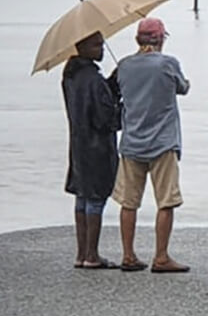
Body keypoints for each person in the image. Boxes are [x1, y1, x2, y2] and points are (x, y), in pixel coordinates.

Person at [114, 18, 190, 273]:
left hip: (132, 141)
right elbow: (183, 87)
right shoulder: (168, 64)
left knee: (129, 201)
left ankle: (128, 254)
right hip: (163, 141)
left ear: (138, 40)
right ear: (160, 39)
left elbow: (117, 90)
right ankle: (161, 256)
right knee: (166, 201)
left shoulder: (123, 65)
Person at [63, 31, 120, 270]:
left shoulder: (71, 75)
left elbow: (92, 101)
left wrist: (111, 84)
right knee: (96, 198)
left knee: (82, 197)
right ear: (83, 47)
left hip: (78, 143)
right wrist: (122, 106)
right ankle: (92, 255)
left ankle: (81, 253)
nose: (102, 48)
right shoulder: (93, 79)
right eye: (97, 45)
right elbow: (105, 118)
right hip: (97, 146)